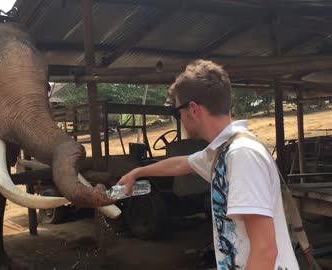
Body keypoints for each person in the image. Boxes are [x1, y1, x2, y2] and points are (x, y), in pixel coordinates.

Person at [118, 60, 299, 270]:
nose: (180, 119)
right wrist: (137, 172)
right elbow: (180, 164)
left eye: (177, 113)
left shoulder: (241, 154)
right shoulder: (221, 151)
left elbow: (265, 249)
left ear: (193, 109)